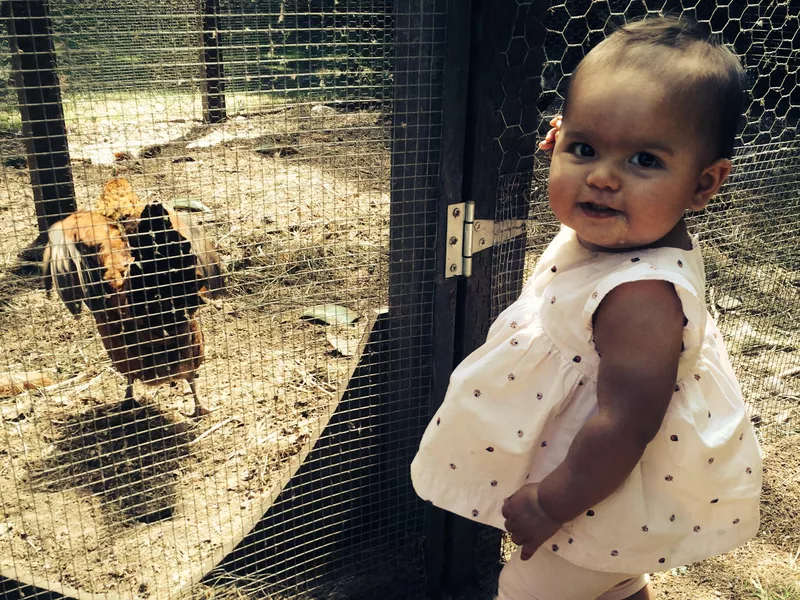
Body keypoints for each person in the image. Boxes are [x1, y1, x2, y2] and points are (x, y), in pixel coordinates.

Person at [411, 16, 763, 600]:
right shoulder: (624, 236)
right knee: (615, 585)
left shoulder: (640, 296)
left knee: (528, 589)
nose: (601, 177)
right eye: (584, 148)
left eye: (644, 160)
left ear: (704, 185)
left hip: (593, 495)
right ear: (554, 140)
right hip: (601, 492)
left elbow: (626, 423)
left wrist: (552, 503)